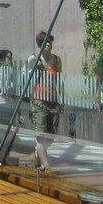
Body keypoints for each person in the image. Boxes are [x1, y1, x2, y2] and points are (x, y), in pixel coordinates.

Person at [28, 31, 62, 169]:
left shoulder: (56, 60)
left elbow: (60, 80)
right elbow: (27, 79)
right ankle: (46, 164)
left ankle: (36, 155)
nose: (47, 45)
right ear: (39, 44)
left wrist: (62, 99)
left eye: (49, 42)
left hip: (53, 100)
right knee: (40, 134)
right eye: (44, 42)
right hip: (38, 100)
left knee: (52, 134)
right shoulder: (33, 59)